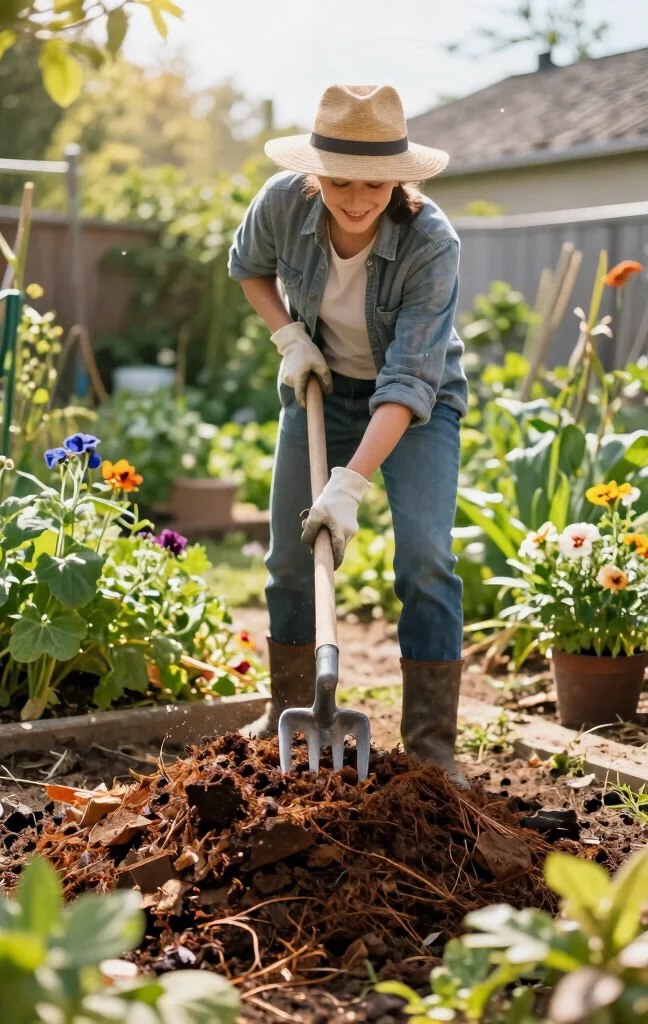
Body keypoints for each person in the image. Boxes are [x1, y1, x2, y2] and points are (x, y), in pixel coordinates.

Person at [228, 84, 468, 786]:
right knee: (287, 558)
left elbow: (408, 383)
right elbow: (249, 267)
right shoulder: (283, 202)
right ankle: (290, 718)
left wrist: (351, 485)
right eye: (340, 182)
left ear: (400, 178)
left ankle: (432, 750)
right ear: (315, 173)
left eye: (375, 183)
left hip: (417, 403)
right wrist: (289, 338)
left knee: (425, 557)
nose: (358, 199)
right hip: (324, 389)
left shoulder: (430, 243)